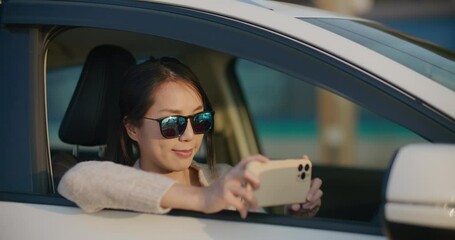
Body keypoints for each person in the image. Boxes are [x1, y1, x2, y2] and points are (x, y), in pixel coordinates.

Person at [58, 57, 323, 218]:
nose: (189, 135)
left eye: (199, 120)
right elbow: (78, 179)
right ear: (132, 128)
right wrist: (203, 199)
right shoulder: (115, 189)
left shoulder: (222, 176)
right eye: (172, 123)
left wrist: (296, 217)